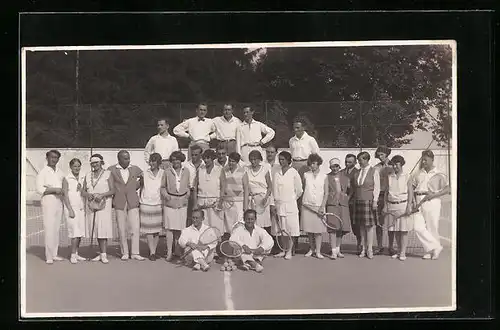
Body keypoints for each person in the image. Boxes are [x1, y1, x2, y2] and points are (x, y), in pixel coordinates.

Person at [108, 150, 145, 261]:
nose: (128, 160)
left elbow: (143, 180)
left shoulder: (136, 169)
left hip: (133, 201)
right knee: (121, 228)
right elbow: (109, 185)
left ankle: (135, 252)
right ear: (119, 159)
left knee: (135, 228)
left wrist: (135, 187)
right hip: (119, 201)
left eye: (128, 158)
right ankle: (124, 252)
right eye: (125, 158)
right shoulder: (111, 170)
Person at [412, 150, 447, 260]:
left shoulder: (439, 173)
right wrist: (413, 201)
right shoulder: (418, 173)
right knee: (417, 226)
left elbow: (447, 189)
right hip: (418, 199)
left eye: (426, 159)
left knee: (432, 227)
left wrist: (433, 195)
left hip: (432, 201)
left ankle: (431, 251)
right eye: (422, 159)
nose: (423, 161)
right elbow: (412, 187)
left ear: (432, 159)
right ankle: (435, 247)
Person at [81, 154, 115, 264]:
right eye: (92, 163)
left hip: (104, 205)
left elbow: (113, 190)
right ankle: (100, 254)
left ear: (101, 162)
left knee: (103, 229)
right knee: (95, 229)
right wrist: (88, 195)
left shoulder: (108, 174)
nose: (94, 165)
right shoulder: (87, 175)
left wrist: (102, 195)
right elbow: (82, 191)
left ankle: (104, 255)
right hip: (91, 205)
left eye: (96, 162)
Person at [36, 150, 65, 264]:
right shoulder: (42, 172)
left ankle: (54, 254)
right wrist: (53, 189)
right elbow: (39, 189)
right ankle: (48, 256)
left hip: (59, 202)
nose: (54, 159)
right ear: (47, 158)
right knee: (49, 228)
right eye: (52, 157)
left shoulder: (60, 172)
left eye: (56, 157)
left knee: (56, 229)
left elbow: (64, 186)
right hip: (48, 201)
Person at [161, 150, 191, 261]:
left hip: (182, 202)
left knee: (180, 228)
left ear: (181, 160)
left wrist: (187, 194)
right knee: (169, 229)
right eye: (173, 160)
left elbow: (188, 185)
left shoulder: (186, 171)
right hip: (170, 202)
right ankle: (169, 251)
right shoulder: (167, 171)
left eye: (177, 159)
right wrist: (166, 196)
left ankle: (178, 251)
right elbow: (163, 187)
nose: (175, 162)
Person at [273, 151, 303, 260]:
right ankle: (283, 250)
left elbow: (299, 190)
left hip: (290, 205)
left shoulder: (294, 172)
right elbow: (274, 189)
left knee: (291, 229)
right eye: (280, 159)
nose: (281, 162)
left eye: (283, 159)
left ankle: (289, 251)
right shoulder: (276, 172)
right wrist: (276, 203)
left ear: (288, 160)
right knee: (282, 229)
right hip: (279, 205)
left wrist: (292, 199)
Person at [383, 155, 414, 261]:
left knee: (403, 230)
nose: (395, 166)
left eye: (397, 164)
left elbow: (410, 192)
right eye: (393, 164)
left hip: (403, 205)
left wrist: (409, 206)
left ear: (401, 164)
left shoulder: (407, 176)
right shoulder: (389, 176)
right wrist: (385, 205)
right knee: (395, 230)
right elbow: (386, 193)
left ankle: (403, 252)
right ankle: (399, 250)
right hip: (391, 205)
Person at [352, 151, 380, 259]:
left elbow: (377, 187)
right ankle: (363, 249)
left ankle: (370, 249)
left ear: (367, 160)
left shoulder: (374, 171)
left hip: (369, 201)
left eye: (361, 160)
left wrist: (375, 201)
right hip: (358, 201)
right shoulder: (357, 173)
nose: (359, 162)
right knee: (361, 227)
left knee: (369, 227)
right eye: (358, 160)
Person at [300, 153, 328, 259]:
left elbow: (326, 193)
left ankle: (318, 251)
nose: (313, 166)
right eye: (311, 163)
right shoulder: (306, 175)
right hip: (307, 205)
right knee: (309, 230)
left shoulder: (324, 176)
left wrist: (322, 206)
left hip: (319, 206)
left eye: (315, 163)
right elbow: (302, 189)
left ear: (319, 164)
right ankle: (311, 249)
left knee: (318, 231)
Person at [139, 153, 165, 261]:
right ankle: (152, 252)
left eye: (154, 161)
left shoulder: (164, 173)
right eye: (150, 161)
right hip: (146, 204)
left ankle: (153, 250)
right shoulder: (144, 173)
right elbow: (141, 187)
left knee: (156, 230)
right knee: (149, 230)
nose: (151, 163)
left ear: (159, 162)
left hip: (158, 203)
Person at [326, 158, 352, 259]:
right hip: (332, 204)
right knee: (332, 228)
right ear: (330, 167)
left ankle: (338, 249)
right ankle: (333, 251)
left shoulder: (345, 177)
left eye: (336, 166)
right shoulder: (327, 177)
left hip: (343, 204)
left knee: (341, 228)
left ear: (339, 167)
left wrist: (347, 197)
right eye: (333, 166)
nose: (335, 168)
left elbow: (351, 189)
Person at [62, 158, 87, 264]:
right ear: (71, 167)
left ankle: (76, 253)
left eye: (78, 166)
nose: (77, 168)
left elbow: (84, 193)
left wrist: (81, 189)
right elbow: (65, 195)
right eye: (74, 166)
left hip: (81, 208)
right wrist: (70, 209)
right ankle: (72, 255)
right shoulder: (66, 178)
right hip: (71, 209)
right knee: (74, 233)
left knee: (80, 232)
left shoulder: (82, 178)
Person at [194, 149, 224, 234]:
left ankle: (216, 246)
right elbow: (195, 187)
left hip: (215, 203)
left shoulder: (219, 169)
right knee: (203, 228)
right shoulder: (199, 170)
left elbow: (223, 187)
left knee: (216, 227)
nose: (206, 160)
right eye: (204, 158)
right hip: (202, 202)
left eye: (208, 158)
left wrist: (221, 202)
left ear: (212, 159)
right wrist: (195, 203)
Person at [243, 150, 273, 233]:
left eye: (255, 159)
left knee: (263, 225)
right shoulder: (246, 169)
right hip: (251, 200)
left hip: (263, 200)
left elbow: (270, 186)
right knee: (252, 224)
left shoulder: (265, 169)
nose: (253, 161)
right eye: (251, 159)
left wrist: (266, 198)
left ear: (259, 159)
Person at [373, 146, 394, 255]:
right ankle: (380, 246)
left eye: (382, 154)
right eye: (378, 155)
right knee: (379, 223)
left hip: (390, 196)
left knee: (391, 223)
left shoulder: (393, 166)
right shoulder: (376, 167)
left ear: (387, 154)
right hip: (380, 196)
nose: (380, 157)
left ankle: (391, 246)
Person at [219, 152, 246, 234]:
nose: (231, 163)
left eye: (233, 161)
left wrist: (245, 205)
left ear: (237, 162)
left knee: (239, 226)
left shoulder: (243, 171)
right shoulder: (224, 171)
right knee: (228, 227)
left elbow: (246, 188)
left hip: (239, 203)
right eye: (230, 161)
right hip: (227, 202)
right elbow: (222, 186)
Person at [263, 144, 281, 253]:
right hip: (265, 196)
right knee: (266, 222)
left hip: (276, 196)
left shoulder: (279, 167)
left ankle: (277, 245)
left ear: (276, 153)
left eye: (272, 152)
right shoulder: (263, 165)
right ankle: (266, 246)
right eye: (268, 152)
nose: (270, 154)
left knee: (276, 222)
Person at [341, 154, 361, 252]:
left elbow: (356, 188)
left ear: (355, 162)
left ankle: (360, 245)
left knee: (356, 225)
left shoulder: (358, 173)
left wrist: (349, 197)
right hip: (342, 202)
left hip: (353, 202)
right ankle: (337, 246)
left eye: (350, 162)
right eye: (346, 161)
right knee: (340, 224)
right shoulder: (341, 172)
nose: (347, 163)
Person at [185, 144, 205, 227]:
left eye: (196, 155)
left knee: (201, 215)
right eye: (192, 155)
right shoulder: (186, 165)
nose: (193, 157)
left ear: (200, 155)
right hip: (190, 192)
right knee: (190, 216)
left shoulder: (204, 164)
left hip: (201, 193)